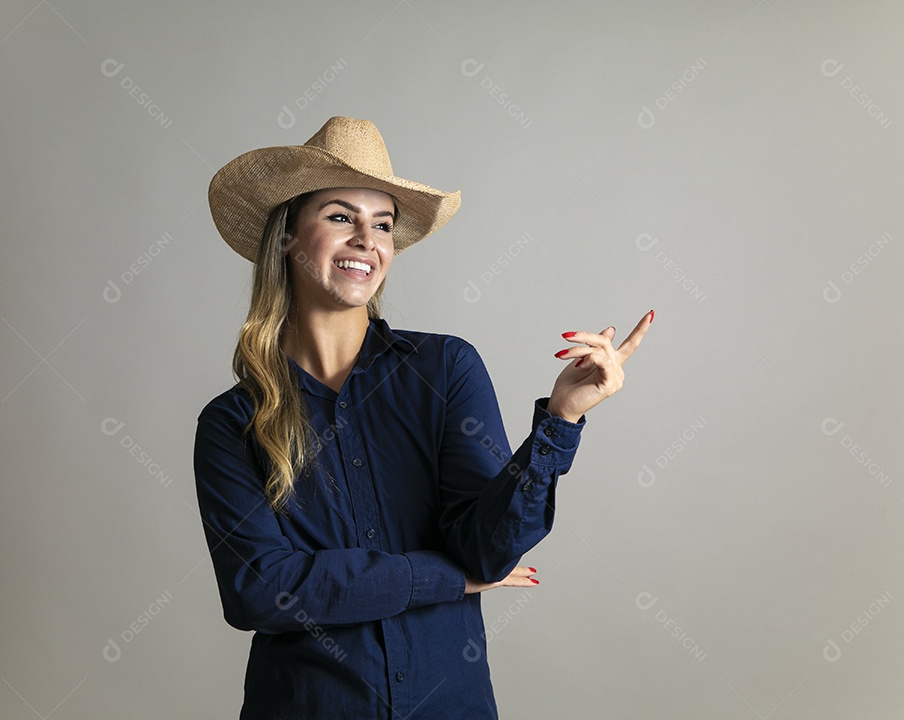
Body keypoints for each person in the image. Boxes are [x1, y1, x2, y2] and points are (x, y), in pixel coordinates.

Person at [193, 115, 653, 719]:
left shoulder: (444, 370)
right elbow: (258, 592)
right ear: (287, 237)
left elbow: (488, 553)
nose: (367, 239)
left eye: (382, 224)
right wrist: (442, 577)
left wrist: (561, 420)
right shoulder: (232, 424)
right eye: (340, 217)